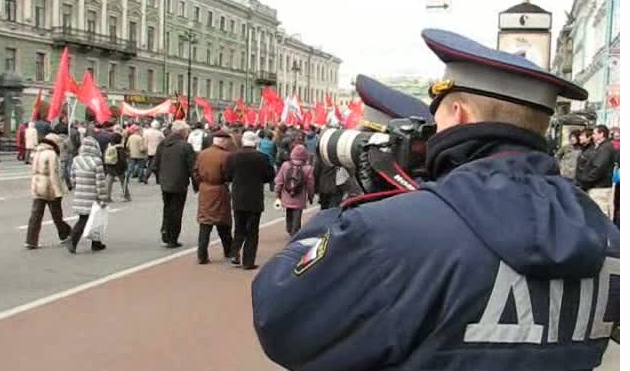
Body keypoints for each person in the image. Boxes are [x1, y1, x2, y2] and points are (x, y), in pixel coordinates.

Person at [251, 29, 619, 371]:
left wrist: (355, 209)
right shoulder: (608, 239)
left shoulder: (388, 232)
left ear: (459, 113)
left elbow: (281, 318)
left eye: (436, 114)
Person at [225, 131, 275, 269]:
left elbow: (227, 175)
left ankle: (235, 252)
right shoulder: (262, 157)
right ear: (255, 142)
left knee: (239, 227)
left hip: (238, 195)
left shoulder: (233, 157)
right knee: (252, 231)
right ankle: (248, 261)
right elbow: (269, 175)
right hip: (255, 197)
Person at [150, 121, 196, 248]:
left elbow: (155, 164)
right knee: (176, 210)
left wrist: (160, 178)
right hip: (179, 182)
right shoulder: (186, 146)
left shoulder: (163, 144)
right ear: (183, 132)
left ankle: (165, 231)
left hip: (165, 182)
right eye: (187, 131)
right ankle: (172, 238)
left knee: (167, 208)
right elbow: (192, 167)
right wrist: (196, 184)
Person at [24, 133, 72, 249]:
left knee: (35, 215)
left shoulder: (36, 152)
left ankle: (31, 240)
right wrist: (58, 191)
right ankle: (66, 234)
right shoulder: (51, 154)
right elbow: (54, 174)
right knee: (57, 214)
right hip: (49, 187)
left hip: (37, 185)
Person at [193, 131, 233, 264]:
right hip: (219, 189)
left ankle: (202, 255)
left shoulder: (202, 154)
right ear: (223, 141)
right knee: (224, 223)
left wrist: (201, 183)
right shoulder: (226, 156)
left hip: (205, 189)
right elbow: (228, 174)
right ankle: (229, 251)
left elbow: (195, 172)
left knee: (205, 223)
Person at [66, 136, 109, 254]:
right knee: (92, 219)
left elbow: (72, 178)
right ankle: (73, 240)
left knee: (87, 218)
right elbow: (100, 182)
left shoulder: (76, 160)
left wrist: (77, 187)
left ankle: (96, 242)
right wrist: (103, 198)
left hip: (80, 193)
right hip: (93, 195)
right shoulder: (97, 161)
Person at [274, 144, 315, 236]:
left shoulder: (285, 165)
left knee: (289, 211)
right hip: (300, 196)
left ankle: (289, 228)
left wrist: (278, 193)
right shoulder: (308, 168)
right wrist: (311, 195)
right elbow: (310, 184)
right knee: (297, 213)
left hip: (287, 194)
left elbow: (279, 180)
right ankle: (295, 231)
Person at [576, 125, 616, 218]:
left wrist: (585, 181)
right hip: (597, 186)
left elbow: (598, 168)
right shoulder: (602, 147)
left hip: (599, 188)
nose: (592, 136)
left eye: (594, 133)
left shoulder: (605, 149)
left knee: (600, 215)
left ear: (601, 134)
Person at [104, 133, 131, 202]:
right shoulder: (120, 148)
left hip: (110, 166)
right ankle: (126, 196)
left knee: (109, 182)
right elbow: (123, 159)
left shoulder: (109, 147)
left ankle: (107, 197)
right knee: (123, 182)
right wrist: (126, 166)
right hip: (119, 167)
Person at [142, 120, 165, 184]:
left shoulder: (146, 133)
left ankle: (158, 180)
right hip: (157, 151)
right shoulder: (159, 133)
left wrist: (145, 150)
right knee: (154, 166)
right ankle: (146, 177)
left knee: (153, 165)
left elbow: (145, 142)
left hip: (149, 151)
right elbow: (163, 141)